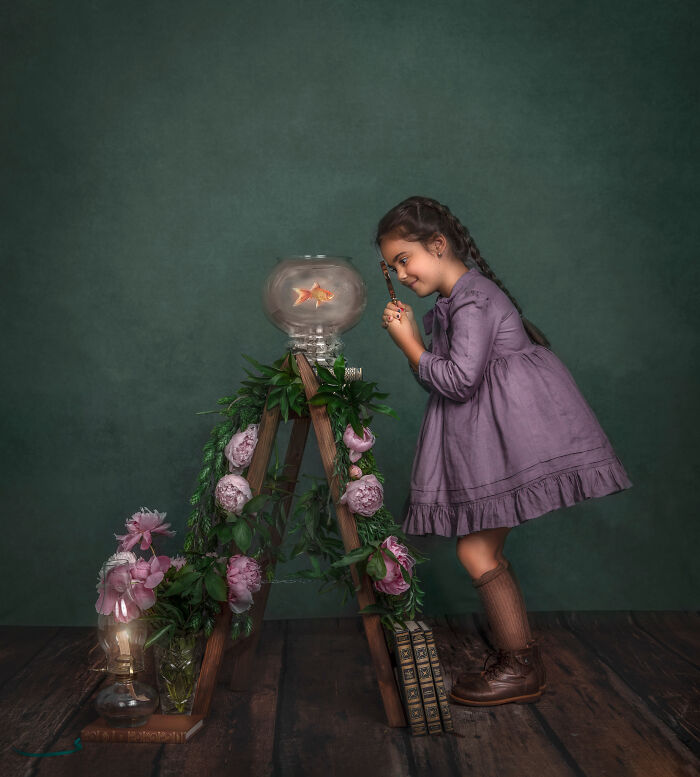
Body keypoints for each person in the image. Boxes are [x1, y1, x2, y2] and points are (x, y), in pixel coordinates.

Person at [376, 195, 633, 707]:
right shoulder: (455, 301)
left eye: (405, 259)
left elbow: (460, 381)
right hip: (485, 437)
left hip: (506, 435)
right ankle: (518, 661)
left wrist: (408, 343)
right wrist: (417, 346)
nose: (401, 274)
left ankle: (520, 665)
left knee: (476, 550)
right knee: (478, 549)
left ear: (438, 244)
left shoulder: (473, 298)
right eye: (392, 267)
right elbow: (446, 383)